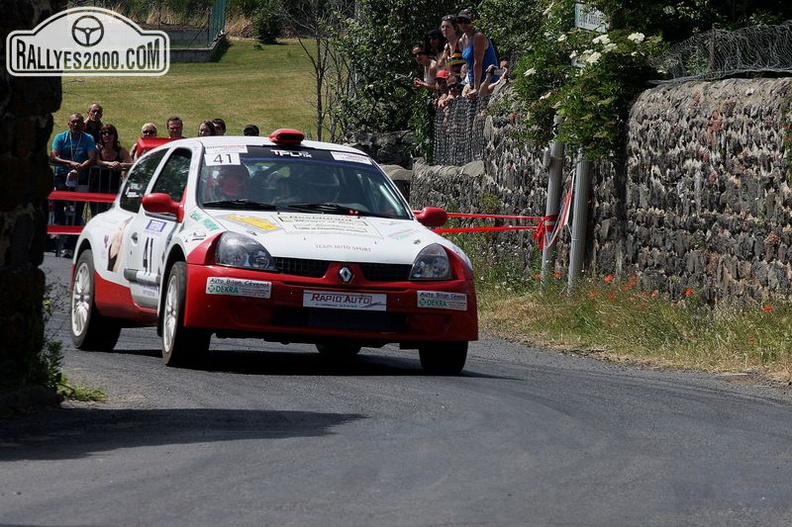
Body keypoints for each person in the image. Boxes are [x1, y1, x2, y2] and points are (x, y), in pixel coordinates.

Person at [50, 112, 97, 257]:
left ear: (83, 124)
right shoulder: (61, 137)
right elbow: (53, 156)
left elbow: (92, 158)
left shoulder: (88, 138)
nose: (76, 125)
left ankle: (70, 246)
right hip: (62, 175)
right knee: (59, 204)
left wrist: (79, 168)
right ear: (68, 123)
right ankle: (57, 232)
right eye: (73, 122)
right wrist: (69, 163)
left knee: (76, 211)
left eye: (79, 122)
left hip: (80, 178)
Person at [457, 8, 499, 99]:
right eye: (460, 21)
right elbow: (469, 63)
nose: (463, 24)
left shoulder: (478, 37)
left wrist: (476, 88)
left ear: (473, 22)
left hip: (490, 79)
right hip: (475, 81)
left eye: (467, 21)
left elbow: (477, 64)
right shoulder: (462, 39)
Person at [92, 123, 133, 214]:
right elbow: (97, 161)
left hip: (114, 187)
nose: (107, 135)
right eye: (104, 133)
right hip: (97, 187)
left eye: (110, 133)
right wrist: (110, 164)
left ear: (114, 136)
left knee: (112, 213)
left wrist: (120, 165)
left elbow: (131, 164)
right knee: (97, 213)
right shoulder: (97, 148)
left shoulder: (121, 150)